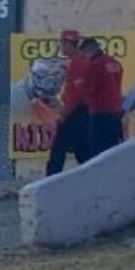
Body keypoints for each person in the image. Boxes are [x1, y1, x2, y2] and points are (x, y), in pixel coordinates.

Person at [47, 30, 92, 176]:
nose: (61, 47)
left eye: (62, 43)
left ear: (68, 44)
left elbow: (75, 94)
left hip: (76, 112)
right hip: (83, 111)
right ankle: (93, 178)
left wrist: (64, 114)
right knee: (82, 151)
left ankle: (49, 184)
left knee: (58, 150)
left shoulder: (78, 63)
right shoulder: (79, 61)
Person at [80, 37, 125, 159]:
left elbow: (88, 90)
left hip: (101, 113)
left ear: (88, 50)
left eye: (83, 53)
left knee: (98, 152)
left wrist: (80, 84)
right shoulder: (115, 63)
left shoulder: (95, 66)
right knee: (113, 150)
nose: (83, 57)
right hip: (116, 112)